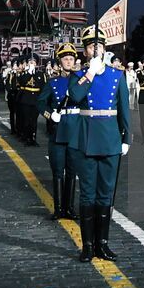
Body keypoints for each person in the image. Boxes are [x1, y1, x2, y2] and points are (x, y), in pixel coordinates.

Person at [65, 28, 132, 262]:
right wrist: (90, 74)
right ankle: (88, 245)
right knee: (87, 195)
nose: (96, 50)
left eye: (100, 46)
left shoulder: (117, 76)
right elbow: (74, 96)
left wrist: (126, 139)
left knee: (105, 195)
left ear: (105, 50)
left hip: (111, 139)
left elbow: (124, 110)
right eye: (92, 47)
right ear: (85, 51)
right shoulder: (79, 74)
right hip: (85, 139)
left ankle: (103, 244)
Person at [36, 42, 80, 219]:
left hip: (75, 129)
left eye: (71, 58)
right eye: (65, 59)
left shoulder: (80, 81)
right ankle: (59, 209)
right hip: (58, 129)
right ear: (60, 62)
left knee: (72, 171)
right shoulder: (53, 82)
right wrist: (50, 114)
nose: (68, 62)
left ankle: (69, 208)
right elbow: (40, 102)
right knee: (57, 170)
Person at [17, 58, 45, 145]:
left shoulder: (40, 74)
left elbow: (42, 87)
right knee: (26, 120)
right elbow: (22, 82)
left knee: (34, 120)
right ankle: (26, 138)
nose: (32, 63)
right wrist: (29, 72)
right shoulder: (24, 73)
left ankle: (33, 138)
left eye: (34, 62)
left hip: (36, 99)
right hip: (26, 99)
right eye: (30, 62)